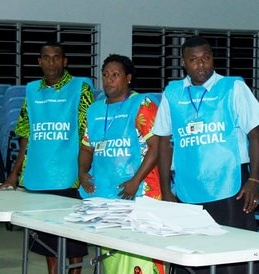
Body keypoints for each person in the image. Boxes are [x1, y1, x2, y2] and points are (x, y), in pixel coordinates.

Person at [152, 36, 259, 274]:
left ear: (213, 58)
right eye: (193, 60)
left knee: (235, 254)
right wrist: (165, 190)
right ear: (184, 62)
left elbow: (255, 134)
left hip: (231, 186)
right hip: (188, 187)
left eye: (206, 58)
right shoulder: (172, 93)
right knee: (193, 253)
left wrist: (254, 179)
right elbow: (164, 142)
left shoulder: (233, 87)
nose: (201, 64)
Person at [0, 41, 94, 274]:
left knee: (72, 239)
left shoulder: (81, 88)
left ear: (65, 61)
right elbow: (26, 135)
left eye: (56, 57)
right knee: (46, 240)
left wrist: (83, 169)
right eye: (46, 57)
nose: (51, 62)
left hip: (69, 176)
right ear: (39, 62)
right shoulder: (31, 90)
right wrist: (13, 175)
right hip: (38, 176)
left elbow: (86, 133)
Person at [78, 54, 165, 273]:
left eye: (115, 75)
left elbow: (156, 147)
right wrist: (81, 171)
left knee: (140, 255)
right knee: (112, 255)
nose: (109, 80)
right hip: (106, 194)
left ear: (128, 78)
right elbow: (87, 147)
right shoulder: (95, 110)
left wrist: (135, 181)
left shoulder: (142, 104)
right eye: (105, 75)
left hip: (140, 191)